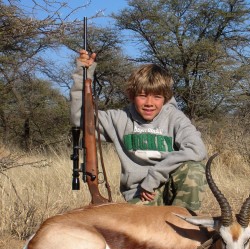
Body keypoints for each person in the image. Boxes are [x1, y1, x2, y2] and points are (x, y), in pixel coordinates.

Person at [70, 50, 207, 211]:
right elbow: (80, 118)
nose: (149, 103)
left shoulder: (175, 117)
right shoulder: (119, 118)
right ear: (131, 95)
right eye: (142, 96)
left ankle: (185, 228)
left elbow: (197, 150)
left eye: (157, 97)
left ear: (166, 97)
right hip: (140, 194)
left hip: (169, 187)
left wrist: (154, 177)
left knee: (193, 169)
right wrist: (82, 75)